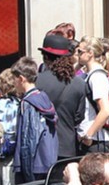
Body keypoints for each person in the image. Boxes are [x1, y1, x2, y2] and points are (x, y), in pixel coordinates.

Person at [9, 57, 59, 185]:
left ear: (21, 79)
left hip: (33, 166)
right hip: (47, 162)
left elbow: (29, 139)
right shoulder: (43, 98)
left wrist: (26, 171)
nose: (13, 83)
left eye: (14, 79)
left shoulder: (28, 103)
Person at [35, 30, 82, 161]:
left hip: (42, 145)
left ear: (45, 57)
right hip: (68, 146)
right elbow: (79, 117)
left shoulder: (36, 81)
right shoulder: (79, 84)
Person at [74, 37, 109, 155]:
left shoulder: (97, 77)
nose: (77, 54)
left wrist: (88, 135)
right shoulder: (90, 75)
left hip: (95, 141)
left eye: (80, 51)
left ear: (90, 53)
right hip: (92, 139)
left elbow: (106, 110)